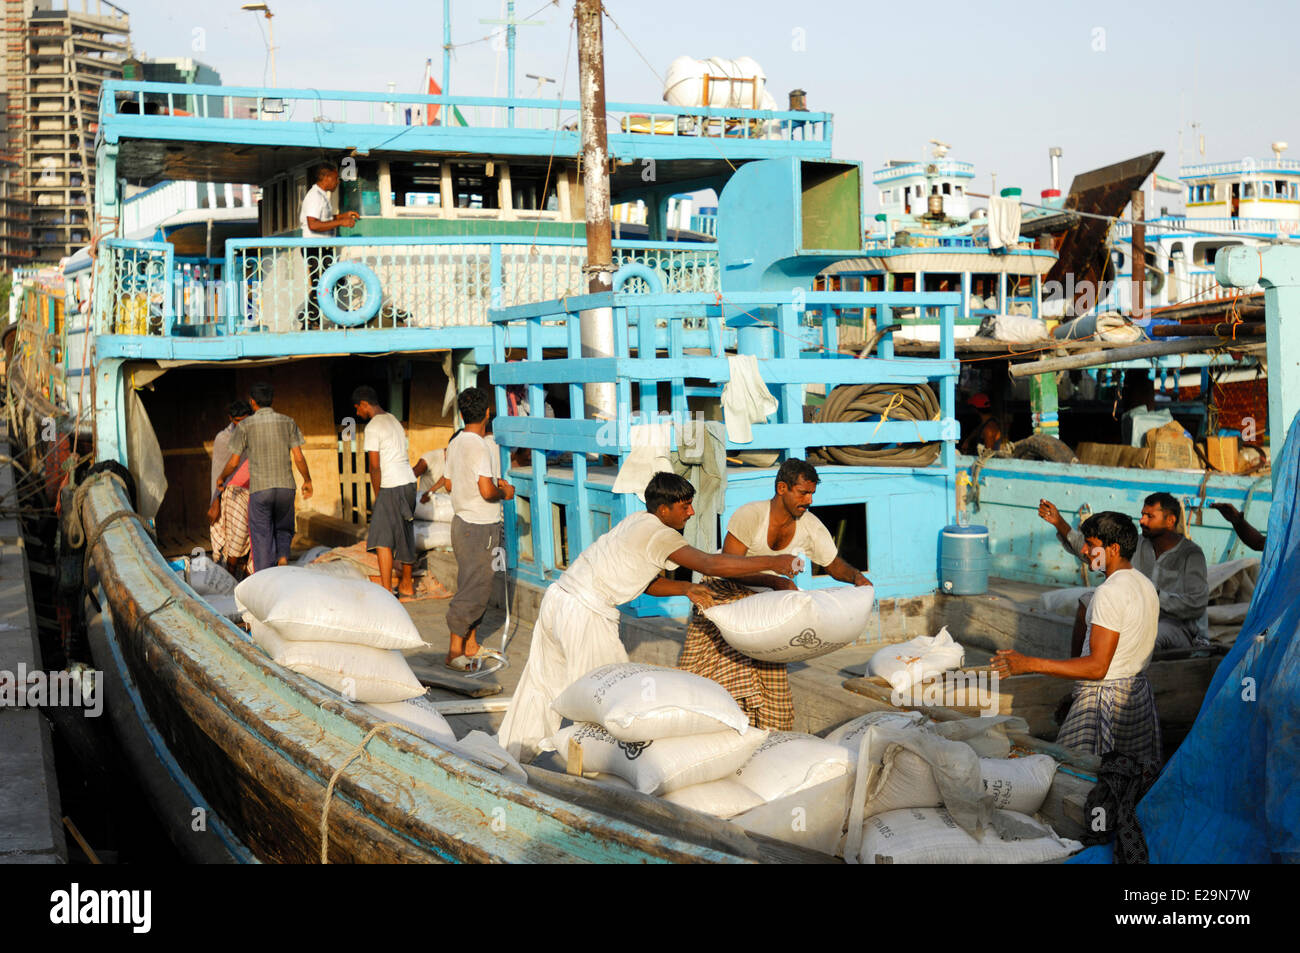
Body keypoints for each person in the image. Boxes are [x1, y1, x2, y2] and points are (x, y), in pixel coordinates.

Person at [496, 472, 800, 762]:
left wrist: (686, 588)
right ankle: (595, 775)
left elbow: (646, 581)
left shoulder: (637, 522)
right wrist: (775, 565)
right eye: (685, 506)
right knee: (607, 700)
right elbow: (710, 563)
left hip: (558, 600)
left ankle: (508, 757)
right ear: (664, 509)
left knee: (541, 688)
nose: (691, 512)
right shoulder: (659, 534)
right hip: (585, 613)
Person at [673, 458, 871, 730]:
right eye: (803, 493)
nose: (809, 500)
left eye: (812, 493)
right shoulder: (750, 515)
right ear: (782, 488)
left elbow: (833, 564)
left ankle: (760, 741)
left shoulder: (811, 526)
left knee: (769, 683)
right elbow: (728, 567)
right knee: (707, 679)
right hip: (723, 596)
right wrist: (774, 581)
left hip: (766, 608)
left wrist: (856, 578)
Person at [993, 511, 1162, 766]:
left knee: (1071, 778)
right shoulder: (1144, 584)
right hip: (1135, 696)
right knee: (1125, 777)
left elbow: (1097, 667)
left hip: (1102, 703)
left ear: (1113, 549)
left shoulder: (1109, 593)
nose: (1085, 551)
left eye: (1091, 545)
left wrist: (1028, 664)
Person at [1039, 491, 1208, 650]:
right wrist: (1059, 522)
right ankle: (1076, 668)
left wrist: (1151, 597)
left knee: (1149, 636)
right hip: (1137, 615)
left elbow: (1196, 605)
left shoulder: (1191, 555)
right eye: (1142, 515)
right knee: (1088, 601)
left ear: (1170, 521)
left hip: (1178, 626)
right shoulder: (1138, 543)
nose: (1142, 521)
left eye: (1150, 516)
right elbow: (1093, 552)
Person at [443, 388, 513, 670]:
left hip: (462, 523)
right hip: (478, 525)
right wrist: (504, 493)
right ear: (487, 413)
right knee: (474, 588)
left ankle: (470, 645)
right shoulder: (478, 445)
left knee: (476, 585)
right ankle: (453, 652)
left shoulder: (457, 441)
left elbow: (448, 484)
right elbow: (486, 490)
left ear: (461, 414)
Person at [216, 382, 313, 572]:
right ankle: (283, 559)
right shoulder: (288, 422)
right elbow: (299, 457)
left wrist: (221, 478)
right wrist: (307, 480)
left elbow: (234, 462)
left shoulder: (245, 426)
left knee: (262, 534)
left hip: (261, 490)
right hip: (286, 487)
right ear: (271, 400)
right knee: (284, 529)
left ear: (252, 402)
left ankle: (266, 576)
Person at [352, 386, 418, 599]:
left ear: (364, 404)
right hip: (408, 481)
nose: (357, 414)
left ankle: (387, 592)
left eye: (357, 409)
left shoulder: (373, 426)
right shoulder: (393, 419)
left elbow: (374, 465)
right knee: (406, 534)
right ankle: (407, 586)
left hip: (391, 485)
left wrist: (378, 494)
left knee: (382, 538)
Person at [299, 162, 359, 327]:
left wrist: (343, 217)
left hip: (322, 247)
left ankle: (326, 319)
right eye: (335, 178)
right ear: (326, 178)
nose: (337, 182)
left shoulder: (322, 195)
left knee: (336, 281)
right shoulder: (314, 197)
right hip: (314, 247)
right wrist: (341, 223)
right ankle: (310, 320)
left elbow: (324, 221)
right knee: (323, 284)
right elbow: (314, 225)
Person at [208, 400, 252, 576]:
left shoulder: (257, 435)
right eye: (237, 421)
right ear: (230, 419)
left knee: (255, 537)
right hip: (232, 493)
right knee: (237, 535)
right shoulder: (223, 438)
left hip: (256, 491)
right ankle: (230, 575)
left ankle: (249, 578)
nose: (241, 424)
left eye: (245, 420)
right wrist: (215, 500)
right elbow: (218, 473)